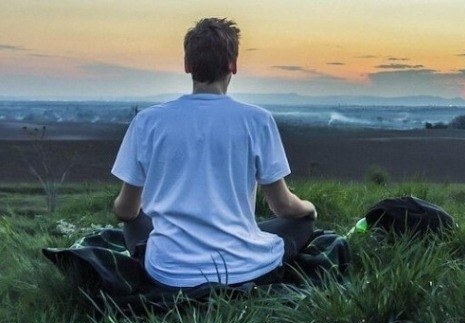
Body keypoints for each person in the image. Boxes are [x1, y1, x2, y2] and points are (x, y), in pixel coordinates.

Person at [111, 18, 317, 289]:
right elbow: (283, 207)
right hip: (244, 269)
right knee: (301, 225)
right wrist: (309, 209)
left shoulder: (147, 122)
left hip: (168, 273)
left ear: (187, 66)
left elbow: (125, 210)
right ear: (233, 65)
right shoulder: (257, 120)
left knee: (134, 221)